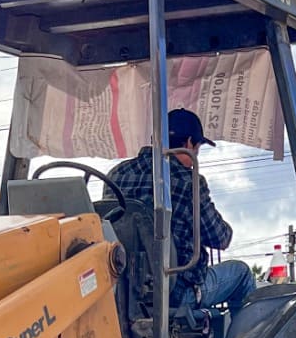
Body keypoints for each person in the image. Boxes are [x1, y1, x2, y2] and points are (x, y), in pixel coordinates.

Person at [106, 108, 254, 315]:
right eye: (198, 147)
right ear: (188, 144)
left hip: (123, 293)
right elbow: (221, 238)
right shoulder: (189, 182)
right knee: (241, 273)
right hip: (175, 292)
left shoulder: (116, 174)